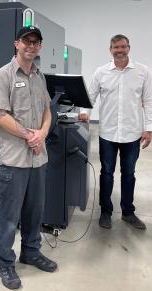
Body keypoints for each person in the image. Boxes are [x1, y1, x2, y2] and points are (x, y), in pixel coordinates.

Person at [0, 26, 57, 290]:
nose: (31, 46)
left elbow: (48, 110)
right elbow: (0, 115)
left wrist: (43, 132)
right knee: (8, 216)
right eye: (26, 41)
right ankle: (5, 264)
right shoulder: (2, 75)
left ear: (39, 46)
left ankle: (31, 251)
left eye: (36, 42)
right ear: (17, 43)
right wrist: (30, 136)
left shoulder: (40, 76)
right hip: (14, 160)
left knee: (34, 211)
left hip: (38, 159)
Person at [79, 34, 152, 230]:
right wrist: (85, 113)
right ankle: (105, 212)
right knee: (107, 173)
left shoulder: (142, 72)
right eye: (115, 47)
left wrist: (149, 128)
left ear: (129, 47)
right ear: (110, 50)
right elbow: (91, 96)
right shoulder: (101, 72)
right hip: (108, 133)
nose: (119, 50)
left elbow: (148, 101)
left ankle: (128, 212)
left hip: (132, 133)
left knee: (129, 173)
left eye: (123, 47)